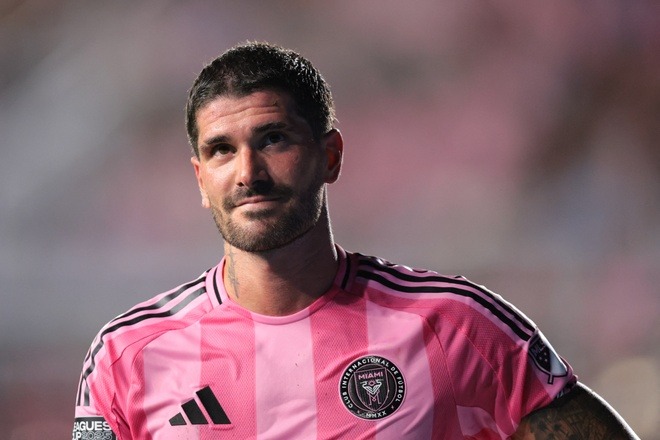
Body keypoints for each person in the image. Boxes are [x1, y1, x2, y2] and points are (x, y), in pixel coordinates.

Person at [73, 42, 639, 439]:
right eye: (222, 150)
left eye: (273, 139)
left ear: (331, 156)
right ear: (201, 179)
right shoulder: (127, 357)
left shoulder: (454, 325)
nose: (248, 173)